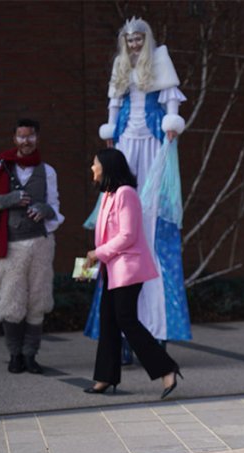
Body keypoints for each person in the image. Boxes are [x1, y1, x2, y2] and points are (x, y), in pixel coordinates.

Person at [84, 16, 191, 349]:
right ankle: (125, 335)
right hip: (127, 143)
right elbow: (114, 106)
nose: (133, 45)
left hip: (153, 141)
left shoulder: (160, 60)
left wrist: (171, 125)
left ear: (146, 40)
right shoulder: (120, 66)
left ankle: (154, 330)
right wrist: (111, 137)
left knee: (151, 217)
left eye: (138, 40)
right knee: (121, 202)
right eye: (129, 40)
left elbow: (171, 99)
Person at [81, 148, 182, 399]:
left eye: (95, 163)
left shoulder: (126, 194)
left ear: (107, 167)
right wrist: (96, 259)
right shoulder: (108, 195)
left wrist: (97, 253)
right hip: (111, 269)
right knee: (108, 322)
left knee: (126, 321)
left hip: (127, 270)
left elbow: (127, 236)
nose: (92, 168)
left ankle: (166, 367)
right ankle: (105, 377)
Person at [0, 119, 64, 374]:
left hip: (41, 244)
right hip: (11, 245)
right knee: (11, 302)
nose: (25, 142)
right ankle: (14, 354)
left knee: (37, 301)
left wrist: (46, 209)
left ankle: (31, 355)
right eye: (21, 137)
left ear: (37, 138)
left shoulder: (48, 171)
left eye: (30, 137)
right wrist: (8, 199)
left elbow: (55, 205)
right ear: (14, 138)